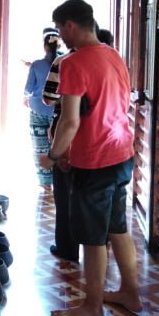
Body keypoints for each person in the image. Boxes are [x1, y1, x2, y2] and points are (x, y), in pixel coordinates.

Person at [40, 0, 141, 316]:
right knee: (117, 228)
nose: (60, 36)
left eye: (60, 29)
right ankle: (130, 294)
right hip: (122, 154)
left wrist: (54, 155)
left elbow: (70, 121)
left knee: (93, 239)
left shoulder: (73, 63)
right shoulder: (114, 55)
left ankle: (91, 307)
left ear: (70, 25)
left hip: (94, 161)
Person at [43, 27, 114, 264]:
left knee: (65, 196)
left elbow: (48, 98)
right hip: (103, 140)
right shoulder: (112, 63)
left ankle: (68, 248)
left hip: (68, 138)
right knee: (96, 198)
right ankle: (100, 245)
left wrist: (54, 153)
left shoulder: (64, 62)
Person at [23, 27, 61, 190]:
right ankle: (59, 180)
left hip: (38, 108)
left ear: (45, 46)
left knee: (40, 147)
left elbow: (28, 89)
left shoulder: (36, 64)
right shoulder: (65, 62)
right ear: (59, 46)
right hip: (58, 111)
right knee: (58, 145)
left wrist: (27, 97)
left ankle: (45, 183)